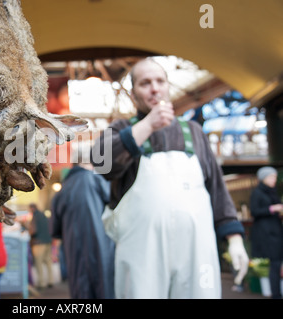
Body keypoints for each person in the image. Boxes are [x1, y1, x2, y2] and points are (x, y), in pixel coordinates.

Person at [91, 58, 249, 299]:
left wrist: (234, 239)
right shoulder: (120, 128)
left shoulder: (194, 132)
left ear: (167, 86)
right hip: (142, 254)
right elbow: (101, 164)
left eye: (160, 81)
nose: (154, 88)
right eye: (145, 83)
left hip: (196, 251)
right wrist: (146, 127)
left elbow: (216, 188)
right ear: (133, 94)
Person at [51, 148, 115, 299]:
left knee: (80, 291)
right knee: (103, 288)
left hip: (74, 251)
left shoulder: (62, 190)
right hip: (102, 248)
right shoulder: (100, 180)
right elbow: (116, 205)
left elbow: (54, 229)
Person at [250, 166, 283, 299]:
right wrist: (272, 209)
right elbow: (255, 211)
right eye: (271, 177)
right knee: (275, 263)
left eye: (275, 177)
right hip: (266, 234)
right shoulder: (257, 193)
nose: (274, 180)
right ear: (264, 178)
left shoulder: (273, 193)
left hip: (276, 231)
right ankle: (276, 294)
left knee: (277, 263)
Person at [28, 203, 54, 289]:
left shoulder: (35, 216)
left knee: (38, 263)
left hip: (39, 242)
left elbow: (33, 230)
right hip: (48, 241)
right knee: (48, 262)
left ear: (32, 208)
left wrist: (28, 230)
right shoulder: (44, 215)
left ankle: (41, 282)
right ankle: (51, 281)